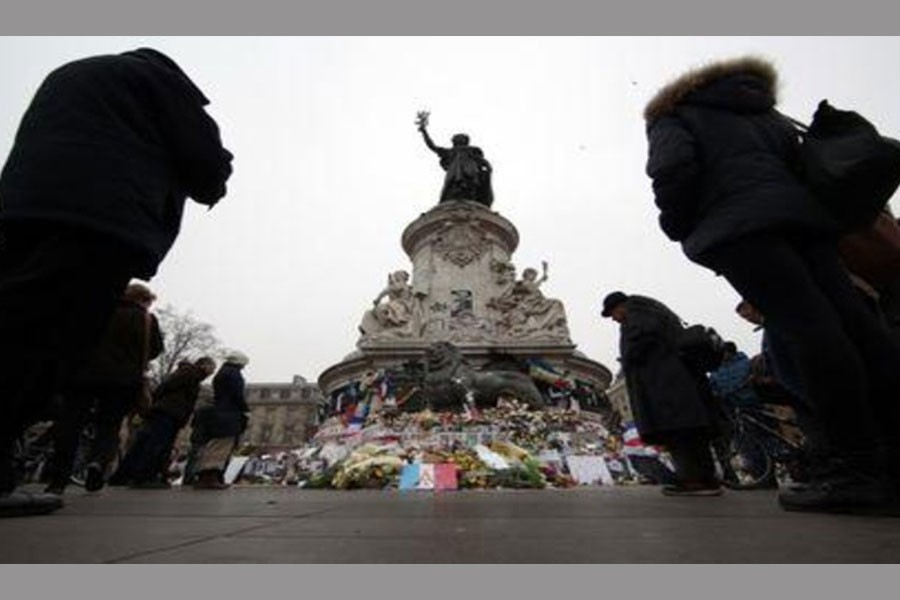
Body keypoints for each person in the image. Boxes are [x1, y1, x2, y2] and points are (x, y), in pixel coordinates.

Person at [643, 55, 900, 512]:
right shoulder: (763, 112)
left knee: (811, 335)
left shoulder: (675, 114)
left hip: (741, 229)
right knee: (859, 330)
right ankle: (889, 460)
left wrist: (678, 224)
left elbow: (672, 169)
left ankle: (857, 467)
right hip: (806, 227)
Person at [0, 48, 232, 516]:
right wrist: (214, 179)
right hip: (100, 218)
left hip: (22, 208)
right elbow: (204, 159)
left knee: (13, 320)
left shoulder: (69, 71)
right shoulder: (157, 82)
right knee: (46, 343)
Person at [43, 282, 164, 495]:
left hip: (84, 374)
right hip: (123, 380)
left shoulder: (98, 309)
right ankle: (98, 462)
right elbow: (154, 350)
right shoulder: (145, 319)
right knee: (109, 425)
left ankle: (58, 477)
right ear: (144, 300)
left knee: (71, 422)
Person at [601, 291, 722, 497]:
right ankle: (706, 479)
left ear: (620, 306)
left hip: (664, 385)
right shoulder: (654, 311)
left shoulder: (637, 317)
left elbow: (638, 346)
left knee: (677, 431)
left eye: (612, 313)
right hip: (678, 382)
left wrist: (629, 357)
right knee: (692, 432)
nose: (614, 318)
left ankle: (692, 481)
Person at [111, 356, 216, 488]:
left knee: (145, 443)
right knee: (156, 445)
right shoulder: (190, 373)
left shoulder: (190, 374)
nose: (212, 372)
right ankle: (144, 477)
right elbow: (165, 387)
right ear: (204, 365)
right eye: (212, 368)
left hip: (167, 412)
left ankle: (124, 476)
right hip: (168, 413)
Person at [190, 352, 250, 490]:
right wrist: (245, 409)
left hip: (221, 412)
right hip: (229, 415)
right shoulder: (233, 374)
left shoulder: (222, 373)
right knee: (221, 446)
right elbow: (237, 395)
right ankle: (210, 476)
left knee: (215, 445)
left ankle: (207, 476)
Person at [417, 111, 493, 207]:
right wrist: (424, 132)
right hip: (454, 172)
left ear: (466, 141)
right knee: (453, 185)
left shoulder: (473, 150)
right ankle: (454, 199)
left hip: (470, 171)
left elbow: (481, 161)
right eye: (457, 138)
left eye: (461, 138)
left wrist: (488, 167)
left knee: (471, 184)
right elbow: (432, 146)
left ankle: (471, 200)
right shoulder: (450, 152)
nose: (458, 139)